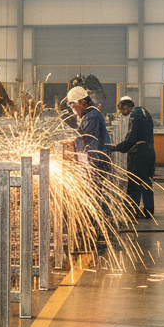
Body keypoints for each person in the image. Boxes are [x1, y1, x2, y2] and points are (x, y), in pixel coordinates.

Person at [67, 85, 113, 244]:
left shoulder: (92, 116)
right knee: (96, 194)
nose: (72, 108)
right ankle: (97, 228)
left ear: (82, 102)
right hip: (96, 160)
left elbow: (85, 139)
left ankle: (97, 229)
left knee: (94, 195)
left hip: (96, 162)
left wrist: (71, 132)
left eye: (73, 104)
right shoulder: (90, 114)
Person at [108, 95, 155, 218]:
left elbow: (131, 139)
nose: (122, 113)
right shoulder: (145, 113)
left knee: (133, 183)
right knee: (146, 182)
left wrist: (115, 147)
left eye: (122, 110)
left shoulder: (135, 115)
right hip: (149, 153)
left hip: (139, 155)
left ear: (126, 106)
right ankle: (148, 210)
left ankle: (130, 211)